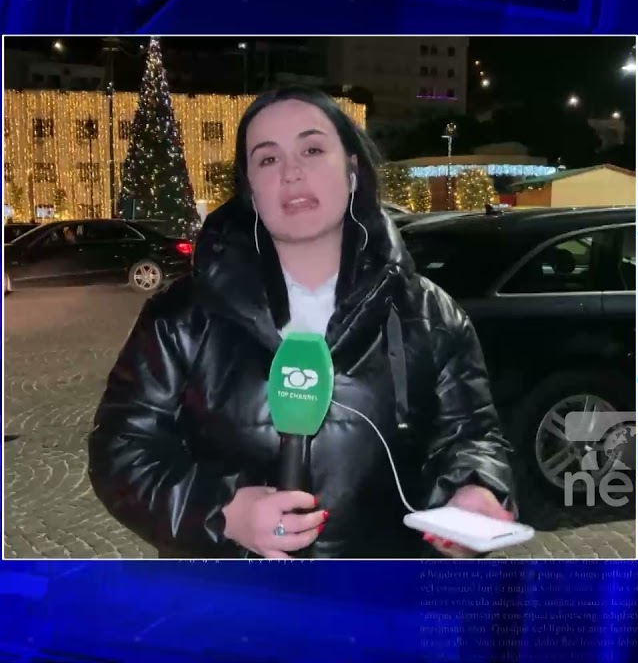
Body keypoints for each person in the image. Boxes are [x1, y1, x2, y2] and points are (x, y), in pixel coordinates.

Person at [88, 87, 517, 559]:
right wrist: (223, 514)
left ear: (352, 170)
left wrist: (475, 488)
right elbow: (121, 452)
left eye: (312, 150)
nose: (291, 172)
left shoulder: (432, 315)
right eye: (268, 159)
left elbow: (472, 437)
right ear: (250, 190)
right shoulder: (182, 316)